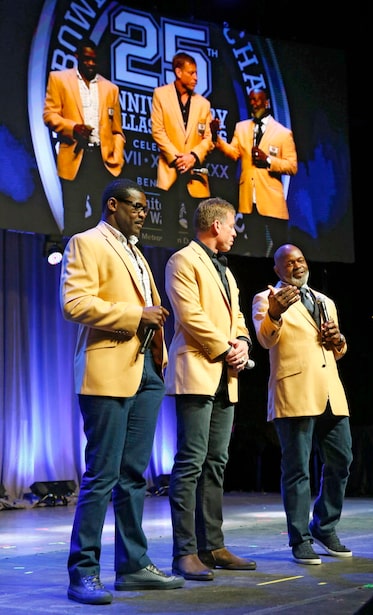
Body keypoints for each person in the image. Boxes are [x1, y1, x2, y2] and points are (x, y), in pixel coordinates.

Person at [60, 178, 184, 605]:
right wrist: (136, 314)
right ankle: (84, 573)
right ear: (112, 205)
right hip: (108, 370)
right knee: (102, 476)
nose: (143, 214)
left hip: (148, 369)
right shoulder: (86, 242)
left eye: (146, 209)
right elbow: (74, 303)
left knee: (134, 475)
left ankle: (132, 566)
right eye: (136, 206)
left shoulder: (136, 251)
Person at [164, 197, 257, 581]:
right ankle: (185, 551)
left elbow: (236, 317)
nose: (235, 232)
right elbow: (191, 317)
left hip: (224, 376)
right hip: (197, 370)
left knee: (216, 463)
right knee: (191, 462)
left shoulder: (227, 272)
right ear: (216, 225)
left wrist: (243, 343)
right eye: (232, 225)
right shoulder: (182, 260)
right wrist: (226, 350)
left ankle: (213, 545)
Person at [251, 243, 353, 565]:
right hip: (294, 393)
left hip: (329, 394)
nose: (297, 266)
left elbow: (338, 350)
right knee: (297, 470)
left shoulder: (325, 301)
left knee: (342, 460)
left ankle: (323, 525)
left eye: (301, 260)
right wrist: (275, 312)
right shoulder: (265, 299)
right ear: (278, 270)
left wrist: (338, 341)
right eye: (289, 262)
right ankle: (300, 539)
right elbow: (265, 338)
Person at [43, 38, 125, 237]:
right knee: (73, 215)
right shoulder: (59, 79)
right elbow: (49, 115)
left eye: (94, 60)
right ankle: (73, 260)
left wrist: (117, 154)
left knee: (102, 216)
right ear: (77, 57)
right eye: (86, 59)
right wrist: (73, 128)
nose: (90, 64)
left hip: (101, 159)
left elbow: (117, 130)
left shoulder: (110, 89)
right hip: (74, 156)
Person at [210, 88, 297, 257]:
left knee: (280, 248)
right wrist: (216, 138)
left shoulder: (283, 133)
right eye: (251, 100)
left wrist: (268, 161)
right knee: (255, 247)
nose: (253, 103)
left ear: (267, 103)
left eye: (257, 100)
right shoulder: (241, 128)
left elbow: (292, 166)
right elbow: (234, 153)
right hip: (249, 199)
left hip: (272, 202)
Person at [151, 52, 214, 247]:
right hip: (171, 172)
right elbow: (157, 130)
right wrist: (179, 158)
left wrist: (193, 157)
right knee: (168, 228)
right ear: (178, 72)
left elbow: (208, 139)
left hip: (194, 176)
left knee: (196, 230)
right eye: (192, 73)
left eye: (196, 73)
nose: (196, 77)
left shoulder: (204, 104)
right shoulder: (161, 95)